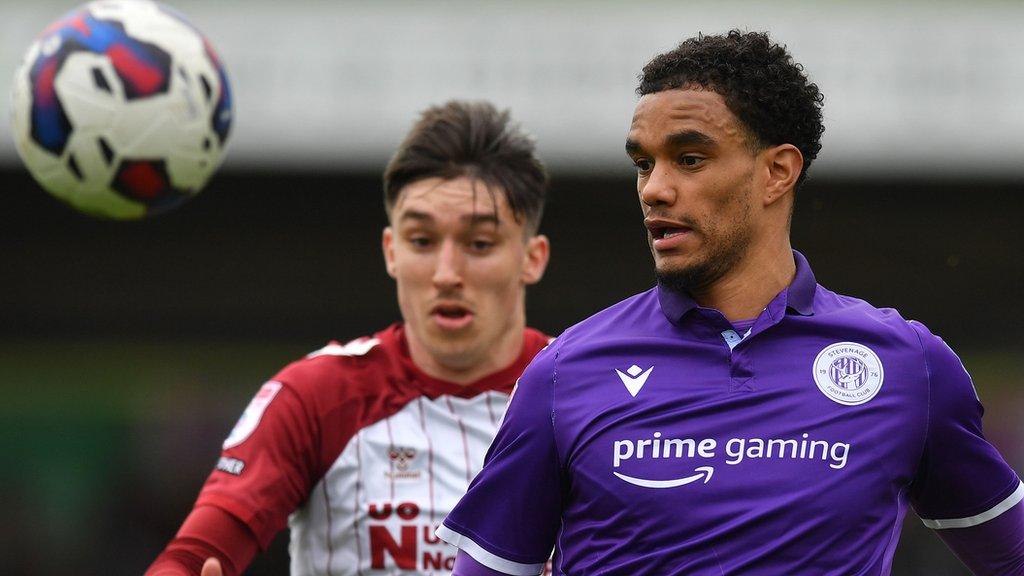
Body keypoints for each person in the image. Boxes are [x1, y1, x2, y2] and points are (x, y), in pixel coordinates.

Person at [438, 31, 1024, 575]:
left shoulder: (907, 365)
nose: (654, 189)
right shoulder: (565, 372)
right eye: (644, 163)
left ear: (777, 172)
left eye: (689, 160)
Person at [146, 100, 552, 576]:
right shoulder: (316, 396)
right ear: (391, 251)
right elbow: (193, 557)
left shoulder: (591, 394)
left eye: (479, 244)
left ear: (532, 258)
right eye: (421, 241)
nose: (446, 274)